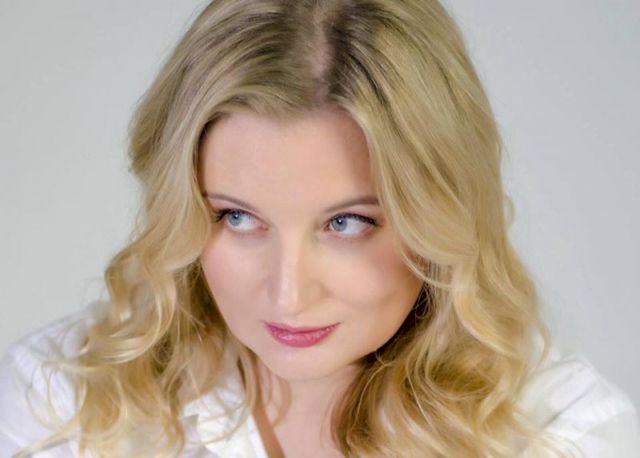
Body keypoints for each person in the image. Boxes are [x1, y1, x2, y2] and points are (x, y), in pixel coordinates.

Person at [1, 0, 638, 456]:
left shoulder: (563, 435)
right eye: (238, 217)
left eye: (347, 223)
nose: (288, 295)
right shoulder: (61, 402)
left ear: (440, 211)